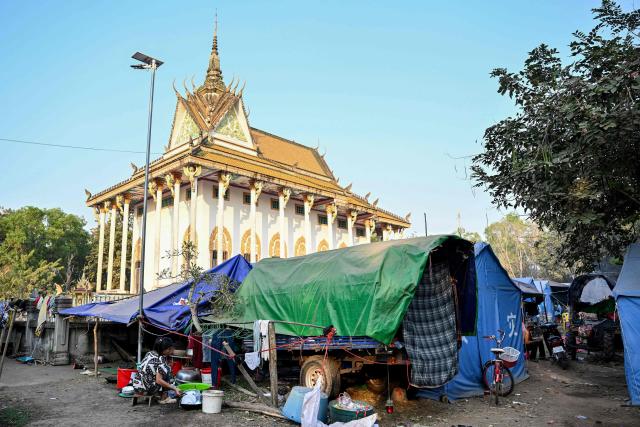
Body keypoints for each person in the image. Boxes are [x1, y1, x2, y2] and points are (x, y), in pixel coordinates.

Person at [132, 337, 182, 403]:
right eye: (172, 349)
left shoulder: (149, 353)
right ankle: (163, 398)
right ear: (167, 349)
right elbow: (159, 380)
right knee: (167, 370)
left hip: (137, 387)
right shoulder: (161, 360)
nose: (173, 350)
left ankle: (155, 393)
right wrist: (174, 388)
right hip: (147, 389)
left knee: (161, 371)